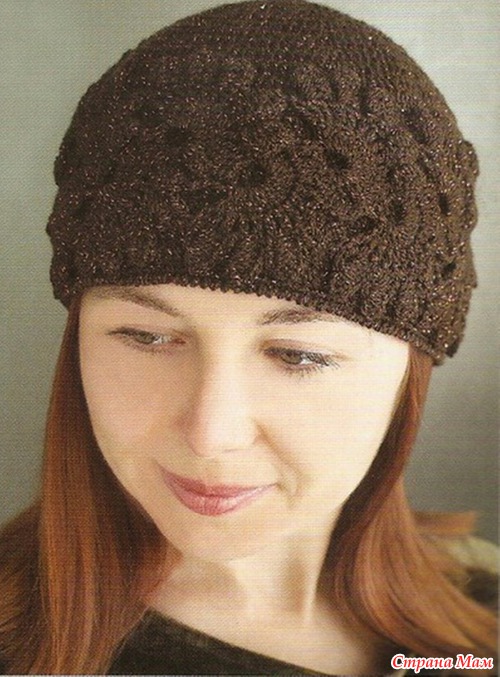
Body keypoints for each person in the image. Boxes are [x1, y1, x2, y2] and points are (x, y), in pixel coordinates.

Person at [0, 0, 497, 674]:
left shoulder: (481, 605)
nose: (211, 433)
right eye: (146, 336)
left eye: (298, 355)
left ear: (413, 364)